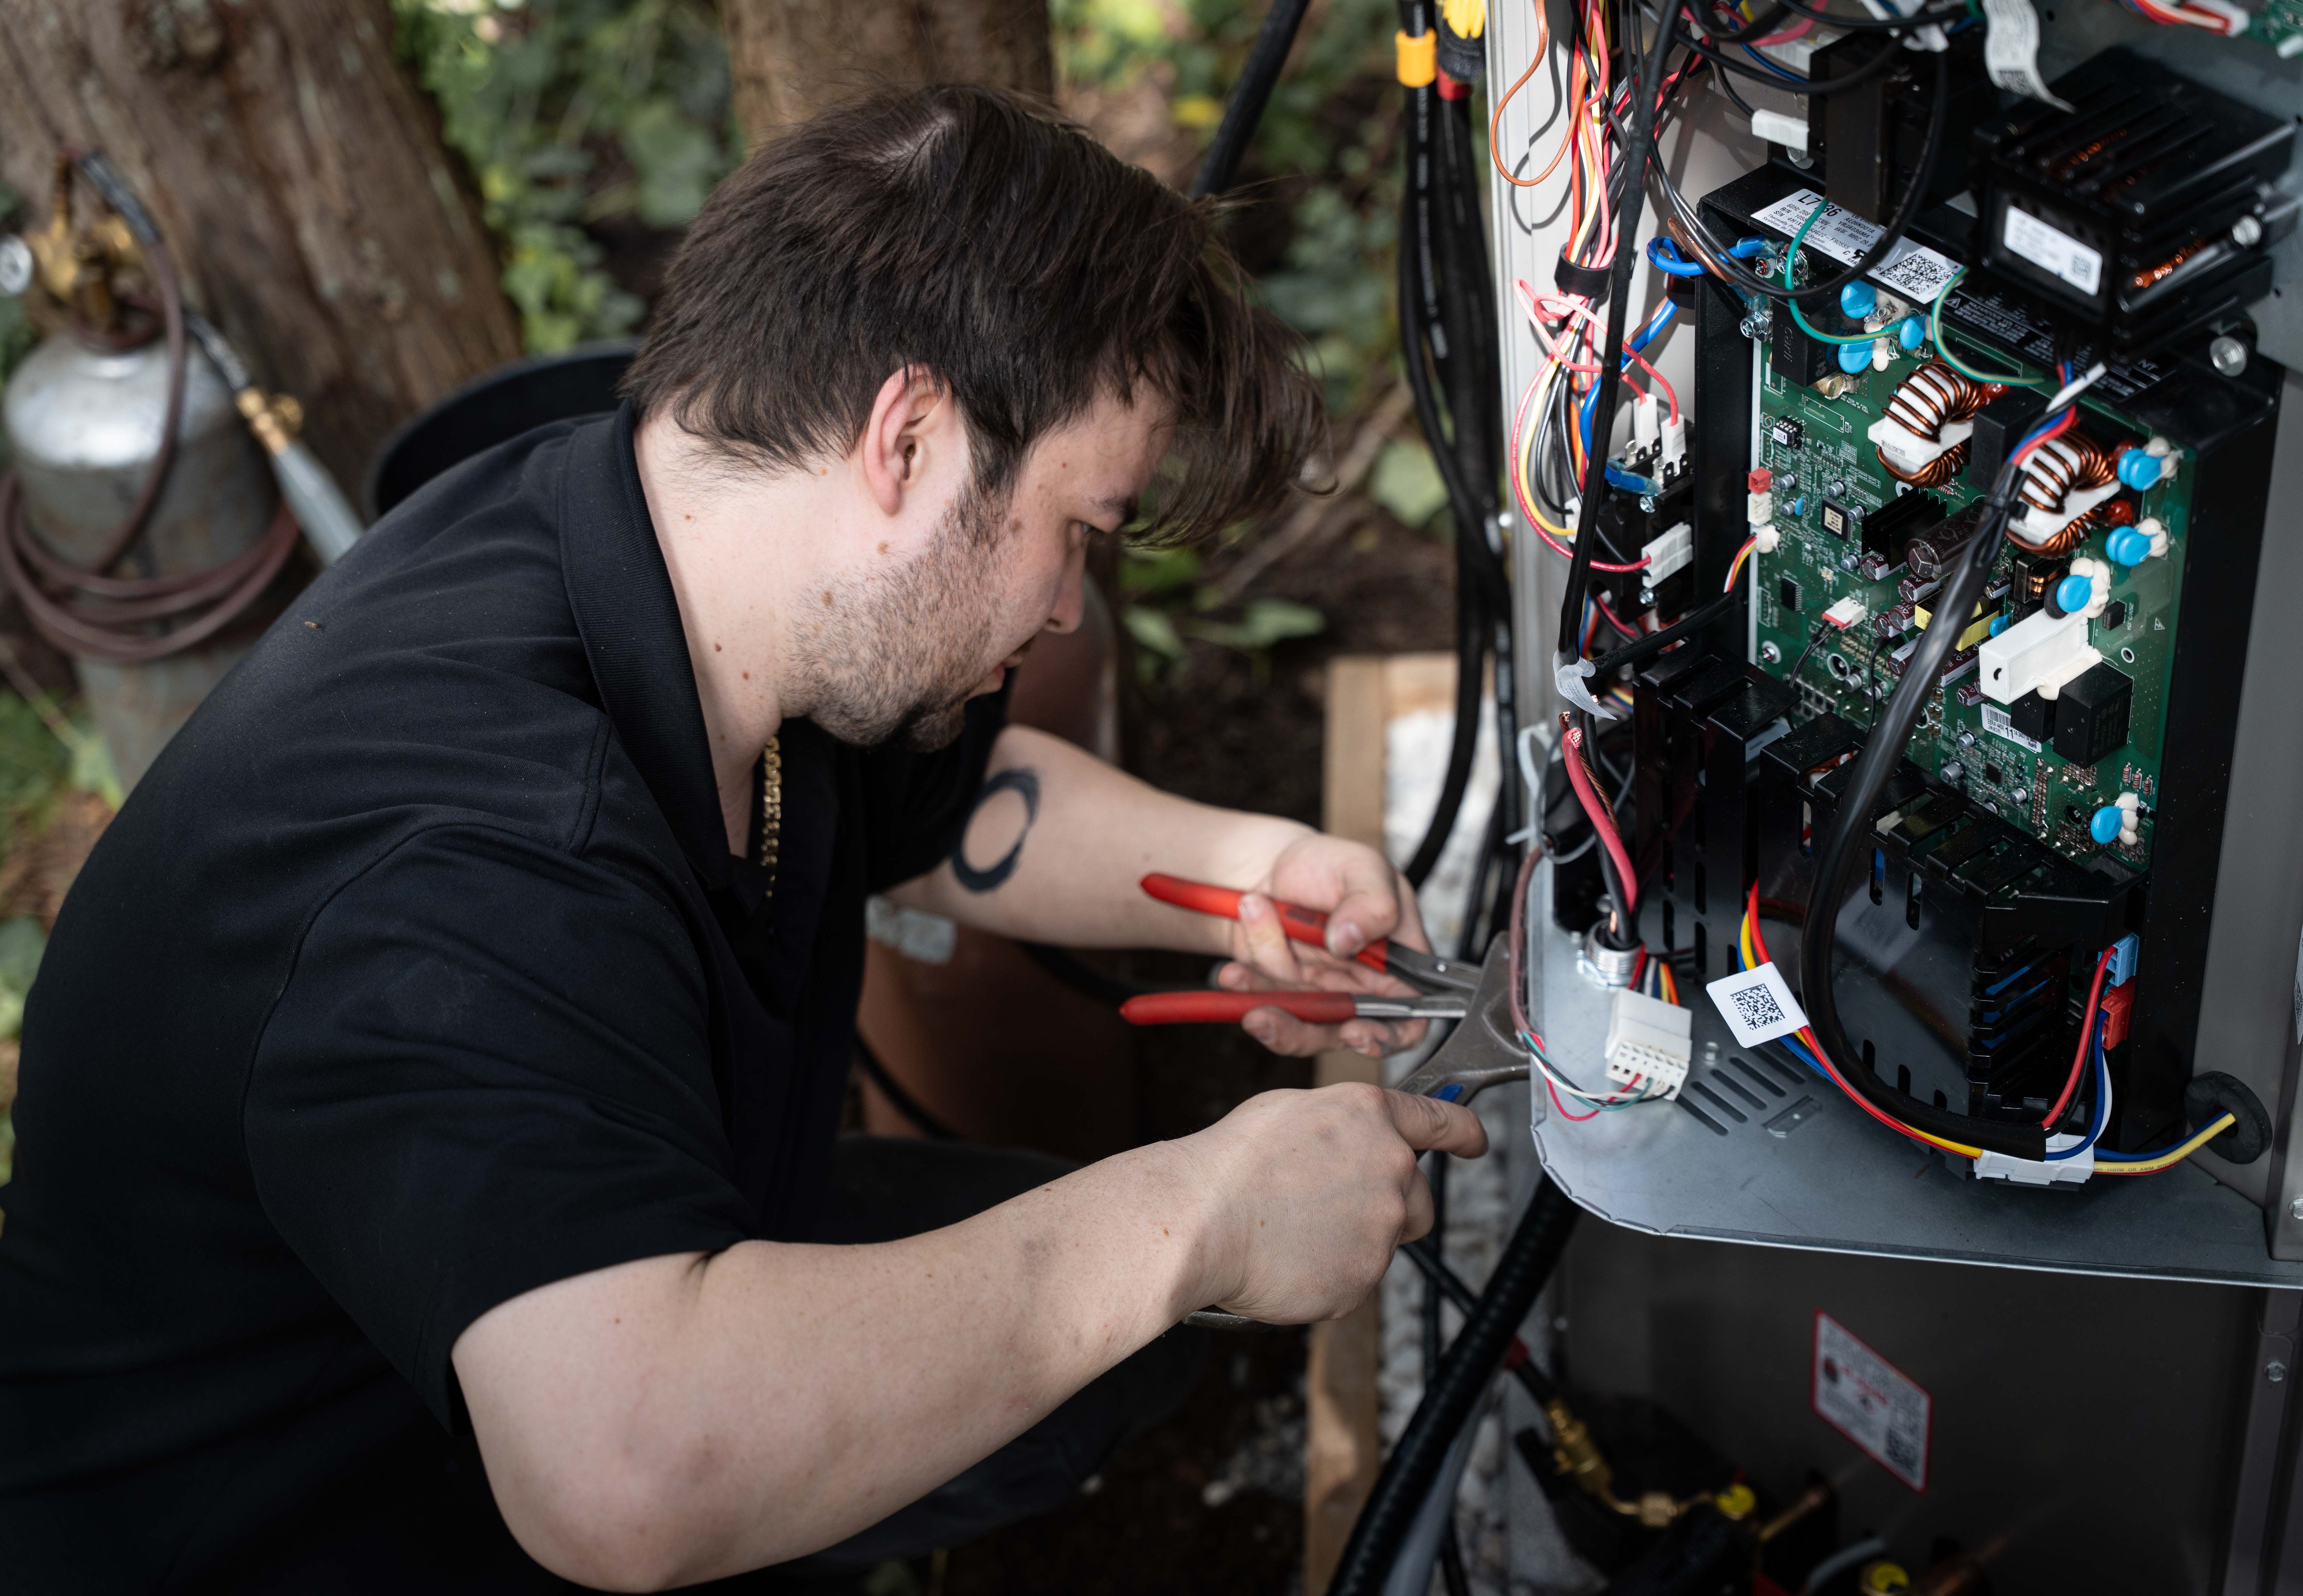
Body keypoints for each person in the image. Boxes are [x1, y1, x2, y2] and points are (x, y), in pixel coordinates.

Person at [0, 86, 1485, 1591]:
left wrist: (1246, 876)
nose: (1061, 609)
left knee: (1104, 1363)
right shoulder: (475, 858)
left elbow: (953, 803)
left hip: (611, 1275)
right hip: (322, 1515)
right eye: (1077, 532)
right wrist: (1203, 1220)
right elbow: (627, 1476)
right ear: (907, 437)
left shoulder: (683, 552)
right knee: (1110, 1297)